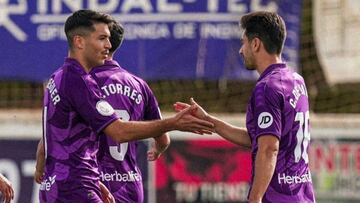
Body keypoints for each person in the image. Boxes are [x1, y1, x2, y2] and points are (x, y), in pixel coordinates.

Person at [36, 9, 214, 202]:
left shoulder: (57, 77)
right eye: (102, 38)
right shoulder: (82, 81)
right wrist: (174, 123)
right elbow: (119, 132)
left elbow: (50, 141)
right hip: (82, 187)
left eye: (109, 39)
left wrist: (92, 181)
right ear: (79, 41)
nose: (108, 45)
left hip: (62, 185)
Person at [175, 11, 315, 203]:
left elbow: (268, 148)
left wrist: (255, 198)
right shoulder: (296, 81)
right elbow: (261, 138)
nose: (241, 50)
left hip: (277, 197)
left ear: (255, 44)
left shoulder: (267, 87)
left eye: (243, 42)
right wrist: (210, 121)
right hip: (302, 196)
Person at [90, 20, 170, 202]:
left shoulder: (83, 83)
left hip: (93, 183)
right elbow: (164, 139)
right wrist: (158, 149)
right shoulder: (139, 85)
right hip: (130, 185)